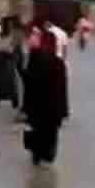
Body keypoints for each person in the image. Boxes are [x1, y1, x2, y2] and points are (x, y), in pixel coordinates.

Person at [22, 27, 70, 166]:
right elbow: (62, 90)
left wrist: (25, 108)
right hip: (53, 110)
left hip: (36, 108)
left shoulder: (34, 58)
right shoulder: (59, 63)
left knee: (36, 139)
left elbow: (28, 84)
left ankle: (36, 161)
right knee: (50, 142)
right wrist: (64, 111)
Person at [0, 22, 21, 109]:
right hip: (4, 63)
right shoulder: (9, 37)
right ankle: (11, 101)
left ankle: (0, 101)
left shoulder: (10, 37)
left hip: (4, 62)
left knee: (5, 83)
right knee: (7, 83)